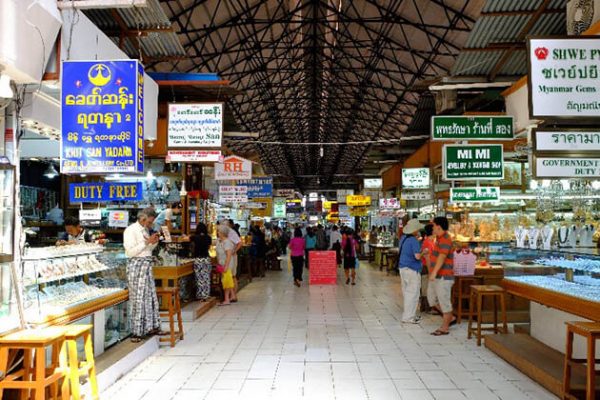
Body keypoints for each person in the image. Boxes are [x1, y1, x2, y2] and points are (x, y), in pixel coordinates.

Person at [123, 208, 161, 342]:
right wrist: (147, 242)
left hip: (146, 265)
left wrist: (154, 242)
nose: (150, 225)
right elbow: (130, 252)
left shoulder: (145, 230)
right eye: (150, 222)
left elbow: (147, 250)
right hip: (136, 266)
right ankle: (137, 331)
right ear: (143, 219)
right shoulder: (130, 230)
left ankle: (150, 327)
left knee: (149, 297)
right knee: (138, 298)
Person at [429, 216, 457, 336]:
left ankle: (445, 327)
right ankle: (450, 317)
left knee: (444, 301)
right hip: (436, 276)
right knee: (432, 300)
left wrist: (434, 272)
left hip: (444, 276)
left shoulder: (446, 239)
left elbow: (442, 256)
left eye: (434, 225)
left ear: (438, 227)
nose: (432, 227)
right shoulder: (438, 239)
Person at [398, 219, 426, 324]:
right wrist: (424, 252)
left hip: (402, 268)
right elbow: (417, 256)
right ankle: (408, 317)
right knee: (413, 293)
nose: (418, 230)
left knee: (407, 293)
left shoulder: (403, 238)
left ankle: (408, 315)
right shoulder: (414, 240)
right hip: (412, 269)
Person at [192, 222, 212, 301]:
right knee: (206, 277)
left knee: (199, 278)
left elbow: (186, 239)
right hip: (206, 259)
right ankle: (206, 294)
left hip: (198, 259)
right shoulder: (208, 238)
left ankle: (200, 295)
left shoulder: (195, 237)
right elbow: (209, 247)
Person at [216, 225, 235, 305]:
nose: (217, 233)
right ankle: (232, 296)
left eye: (219, 231)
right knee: (226, 280)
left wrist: (226, 266)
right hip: (222, 263)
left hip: (226, 264)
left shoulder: (227, 242)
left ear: (222, 233)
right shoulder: (220, 241)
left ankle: (226, 299)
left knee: (226, 281)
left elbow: (229, 255)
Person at [421, 224, 437, 314]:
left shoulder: (431, 241)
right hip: (426, 267)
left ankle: (426, 307)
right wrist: (430, 271)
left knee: (428, 287)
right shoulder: (427, 242)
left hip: (429, 267)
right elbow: (427, 258)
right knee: (426, 287)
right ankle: (427, 308)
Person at [227, 220, 242, 302]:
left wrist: (234, 251)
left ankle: (233, 295)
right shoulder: (227, 233)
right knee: (231, 276)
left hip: (231, 258)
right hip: (229, 257)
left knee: (232, 276)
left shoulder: (232, 232)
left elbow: (240, 243)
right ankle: (231, 295)